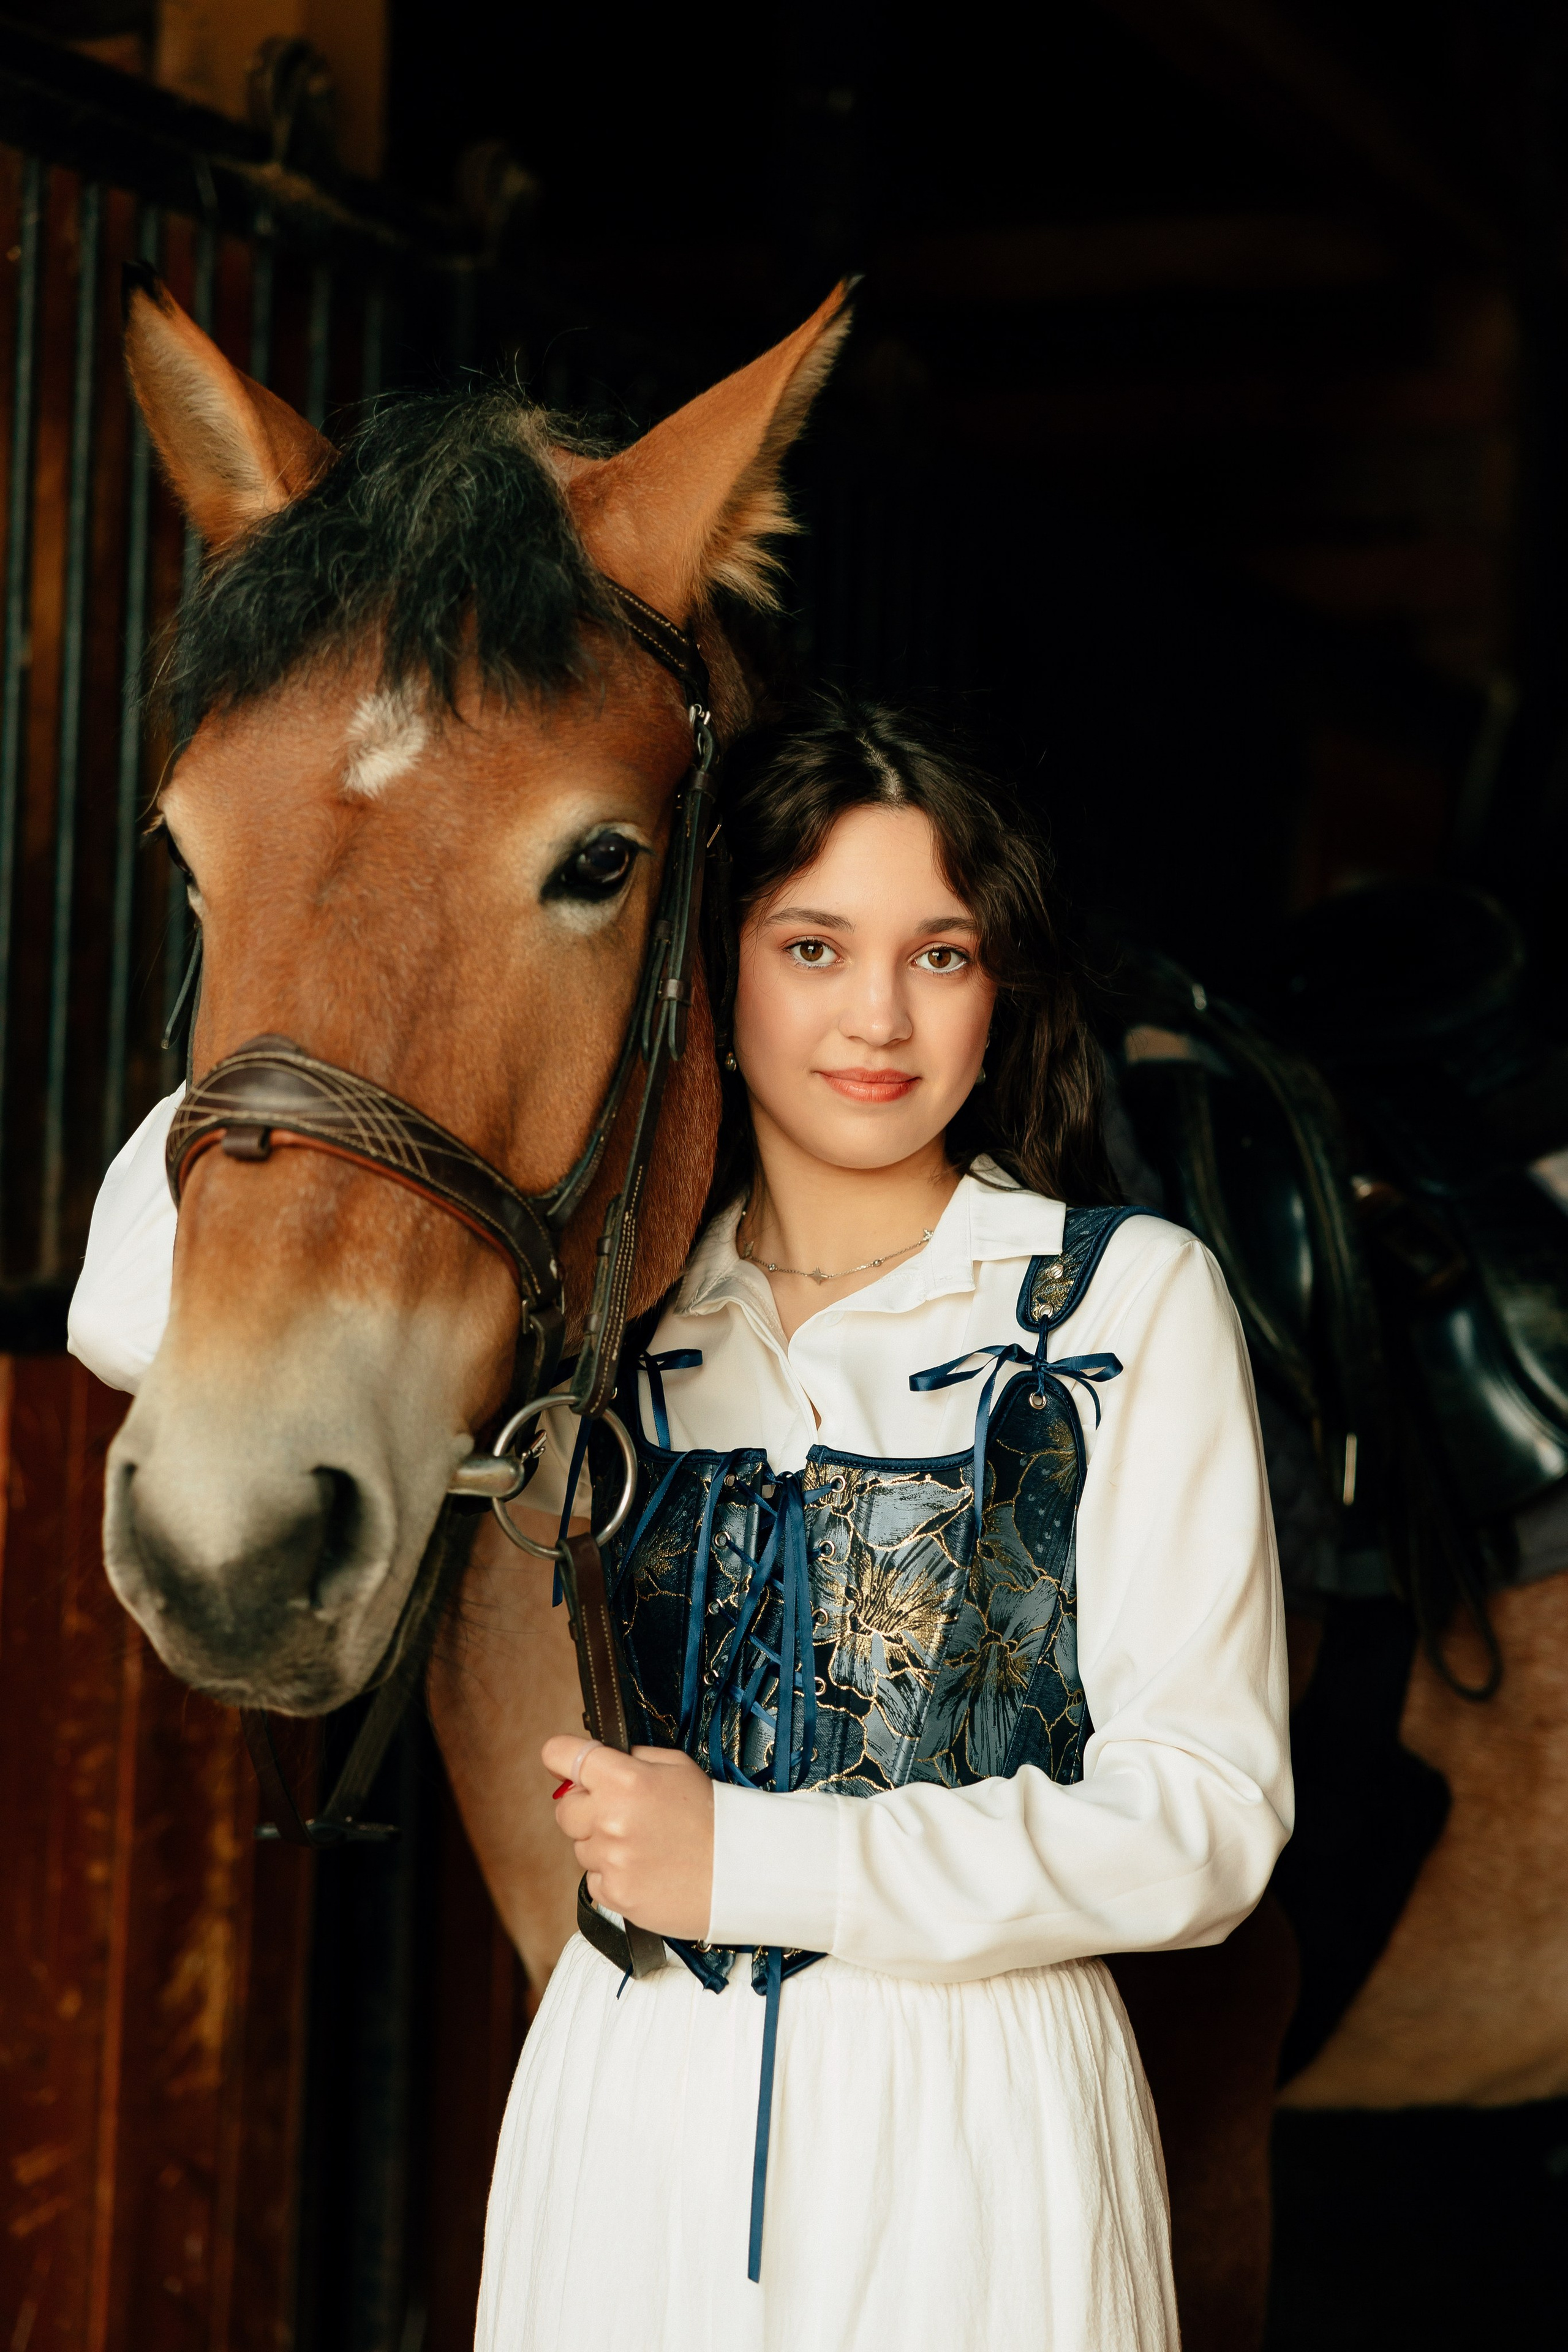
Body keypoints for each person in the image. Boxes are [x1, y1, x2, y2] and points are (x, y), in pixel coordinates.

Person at [70, 695, 1291, 2352]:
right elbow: (132, 1312)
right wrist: (358, 908)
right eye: (811, 948)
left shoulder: (1123, 1303)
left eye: (940, 953)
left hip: (980, 2135)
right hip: (629, 2114)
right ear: (701, 980)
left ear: (1001, 990)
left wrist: (759, 1861)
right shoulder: (606, 1325)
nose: (879, 1014)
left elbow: (1204, 1828)